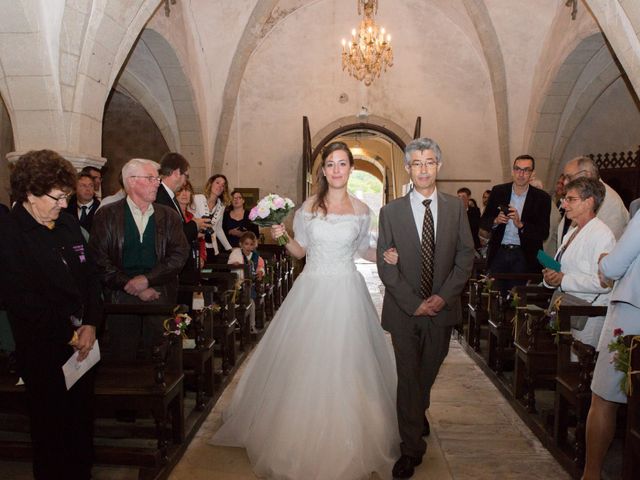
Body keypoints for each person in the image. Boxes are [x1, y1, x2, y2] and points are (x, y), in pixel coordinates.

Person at [210, 141, 400, 479]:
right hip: (312, 289)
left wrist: (387, 256)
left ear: (350, 169)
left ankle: (351, 434)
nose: (337, 170)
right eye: (331, 164)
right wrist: (281, 235)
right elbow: (298, 253)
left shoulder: (362, 211)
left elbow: (363, 252)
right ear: (323, 170)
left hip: (346, 291)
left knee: (348, 362)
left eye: (343, 164)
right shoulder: (308, 207)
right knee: (306, 361)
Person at [0, 150, 102, 480]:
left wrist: (90, 324)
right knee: (51, 433)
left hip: (83, 346)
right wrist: (69, 334)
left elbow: (91, 278)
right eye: (57, 197)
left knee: (81, 427)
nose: (63, 204)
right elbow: (21, 298)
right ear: (30, 193)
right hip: (44, 347)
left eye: (66, 197)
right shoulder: (11, 234)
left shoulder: (68, 223)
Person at [377, 137, 475, 479]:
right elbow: (385, 265)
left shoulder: (455, 208)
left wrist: (442, 297)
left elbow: (465, 256)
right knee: (408, 376)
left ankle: (417, 414)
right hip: (404, 311)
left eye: (429, 162)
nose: (423, 169)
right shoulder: (390, 211)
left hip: (443, 310)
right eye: (416, 163)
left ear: (438, 167)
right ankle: (410, 448)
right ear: (407, 168)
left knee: (427, 372)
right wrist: (415, 303)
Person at [89, 158, 189, 360]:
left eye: (157, 178)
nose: (158, 183)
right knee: (123, 358)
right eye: (151, 178)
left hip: (160, 295)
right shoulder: (107, 216)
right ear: (132, 181)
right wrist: (129, 284)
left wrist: (148, 280)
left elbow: (179, 255)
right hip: (119, 299)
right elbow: (98, 259)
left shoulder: (169, 216)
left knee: (160, 357)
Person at [583, 207, 640, 480]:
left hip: (632, 316)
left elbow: (614, 266)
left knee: (605, 397)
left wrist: (604, 262)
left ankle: (591, 474)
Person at [542, 177, 615, 348]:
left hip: (589, 313)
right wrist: (550, 278)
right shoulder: (573, 231)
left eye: (571, 199)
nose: (564, 205)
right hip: (568, 307)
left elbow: (603, 282)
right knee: (564, 366)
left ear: (589, 202)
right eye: (564, 199)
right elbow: (560, 266)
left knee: (578, 367)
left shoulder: (602, 235)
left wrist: (563, 279)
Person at [480, 154, 551, 291]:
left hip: (524, 255)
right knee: (494, 295)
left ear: (532, 173)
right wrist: (495, 221)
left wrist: (521, 225)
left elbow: (543, 232)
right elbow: (484, 221)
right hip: (499, 251)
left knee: (518, 299)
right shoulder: (498, 191)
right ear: (513, 171)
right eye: (517, 169)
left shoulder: (542, 198)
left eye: (526, 170)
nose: (521, 174)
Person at [155, 152, 210, 284]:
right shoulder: (160, 196)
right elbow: (170, 236)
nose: (186, 180)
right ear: (176, 173)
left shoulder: (169, 196)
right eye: (186, 175)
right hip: (169, 269)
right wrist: (194, 225)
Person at [559, 156, 628, 242]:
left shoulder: (609, 201)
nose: (565, 182)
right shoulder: (581, 195)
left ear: (587, 175)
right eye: (564, 177)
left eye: (569, 177)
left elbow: (607, 243)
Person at [227, 231, 265, 333]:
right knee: (233, 302)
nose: (248, 247)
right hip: (236, 284)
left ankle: (251, 326)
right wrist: (235, 264)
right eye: (246, 244)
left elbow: (261, 267)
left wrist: (261, 272)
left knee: (251, 302)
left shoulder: (256, 256)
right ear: (241, 244)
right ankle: (236, 323)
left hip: (249, 285)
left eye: (251, 244)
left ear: (254, 245)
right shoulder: (236, 253)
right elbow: (231, 262)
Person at [193, 174, 232, 262]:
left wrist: (229, 248)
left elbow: (218, 228)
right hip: (196, 245)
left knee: (210, 272)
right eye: (217, 183)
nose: (220, 186)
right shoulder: (197, 198)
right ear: (211, 184)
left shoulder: (221, 205)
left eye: (223, 185)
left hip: (211, 247)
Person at [176, 181, 207, 268]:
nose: (184, 193)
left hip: (193, 259)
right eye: (180, 190)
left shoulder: (191, 216)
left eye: (187, 190)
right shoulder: (173, 215)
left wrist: (202, 257)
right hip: (178, 260)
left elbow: (201, 240)